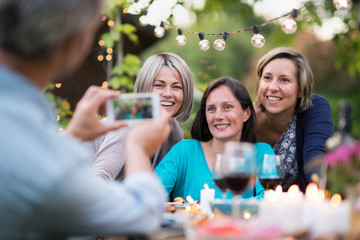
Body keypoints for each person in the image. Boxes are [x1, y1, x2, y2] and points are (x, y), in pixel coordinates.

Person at [0, 0, 172, 239]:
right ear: (73, 42)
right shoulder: (45, 167)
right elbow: (142, 214)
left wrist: (73, 136)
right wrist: (138, 147)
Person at [155, 77, 274, 201]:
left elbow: (269, 199)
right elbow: (149, 196)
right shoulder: (184, 151)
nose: (218, 116)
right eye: (211, 109)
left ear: (246, 113)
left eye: (227, 107)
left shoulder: (261, 153)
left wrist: (218, 208)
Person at [87, 52, 194, 181]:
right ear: (145, 87)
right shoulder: (129, 118)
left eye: (176, 87)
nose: (168, 93)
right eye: (159, 85)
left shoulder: (173, 130)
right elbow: (98, 179)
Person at [254, 47, 334, 192]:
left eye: (284, 80)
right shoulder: (244, 119)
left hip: (300, 209)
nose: (272, 87)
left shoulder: (315, 108)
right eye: (267, 78)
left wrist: (321, 187)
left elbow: (316, 159)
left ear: (301, 90)